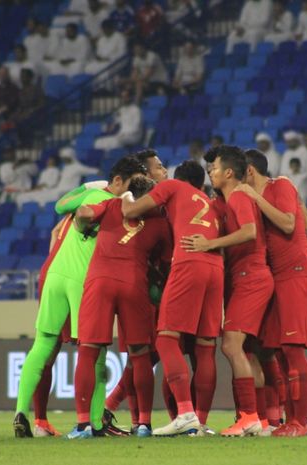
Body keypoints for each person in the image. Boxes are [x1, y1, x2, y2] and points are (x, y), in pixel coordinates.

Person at [14, 156, 147, 438]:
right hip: (82, 280)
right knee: (93, 351)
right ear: (119, 181)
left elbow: (61, 205)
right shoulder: (114, 202)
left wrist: (86, 187)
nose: (133, 190)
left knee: (42, 345)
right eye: (131, 183)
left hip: (55, 275)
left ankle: (20, 412)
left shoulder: (89, 197)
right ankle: (94, 422)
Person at [121, 160, 223, 437]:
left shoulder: (172, 187)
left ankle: (186, 413)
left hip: (189, 262)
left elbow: (130, 211)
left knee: (165, 338)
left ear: (178, 178)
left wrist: (124, 193)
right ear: (201, 183)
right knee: (205, 347)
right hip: (216, 267)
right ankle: (200, 422)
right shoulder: (209, 201)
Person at [182, 146, 274, 437]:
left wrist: (210, 244)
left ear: (229, 173)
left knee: (231, 346)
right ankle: (258, 420)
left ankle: (248, 417)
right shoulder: (226, 200)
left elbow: (249, 231)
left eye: (215, 168)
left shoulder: (239, 195)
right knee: (248, 352)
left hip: (251, 278)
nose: (210, 171)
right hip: (246, 277)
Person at [73, 176, 172, 438]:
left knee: (88, 350)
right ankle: (144, 424)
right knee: (140, 354)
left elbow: (83, 212)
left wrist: (83, 227)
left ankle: (83, 424)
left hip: (100, 282)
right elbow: (165, 264)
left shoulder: (112, 204)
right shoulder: (160, 222)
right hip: (134, 283)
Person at [239, 149, 307, 437]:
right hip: (279, 279)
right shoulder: (261, 199)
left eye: (240, 173)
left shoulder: (279, 186)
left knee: (292, 350)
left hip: (298, 274)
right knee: (281, 354)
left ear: (250, 171)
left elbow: (290, 223)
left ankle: (301, 422)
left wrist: (257, 199)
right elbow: (304, 221)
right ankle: (302, 419)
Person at [15, 147, 98, 207]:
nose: (64, 160)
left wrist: (99, 172)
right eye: (63, 158)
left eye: (66, 158)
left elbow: (93, 171)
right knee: (41, 195)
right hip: (58, 189)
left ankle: (44, 210)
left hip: (69, 191)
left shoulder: (78, 167)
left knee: (49, 196)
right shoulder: (65, 167)